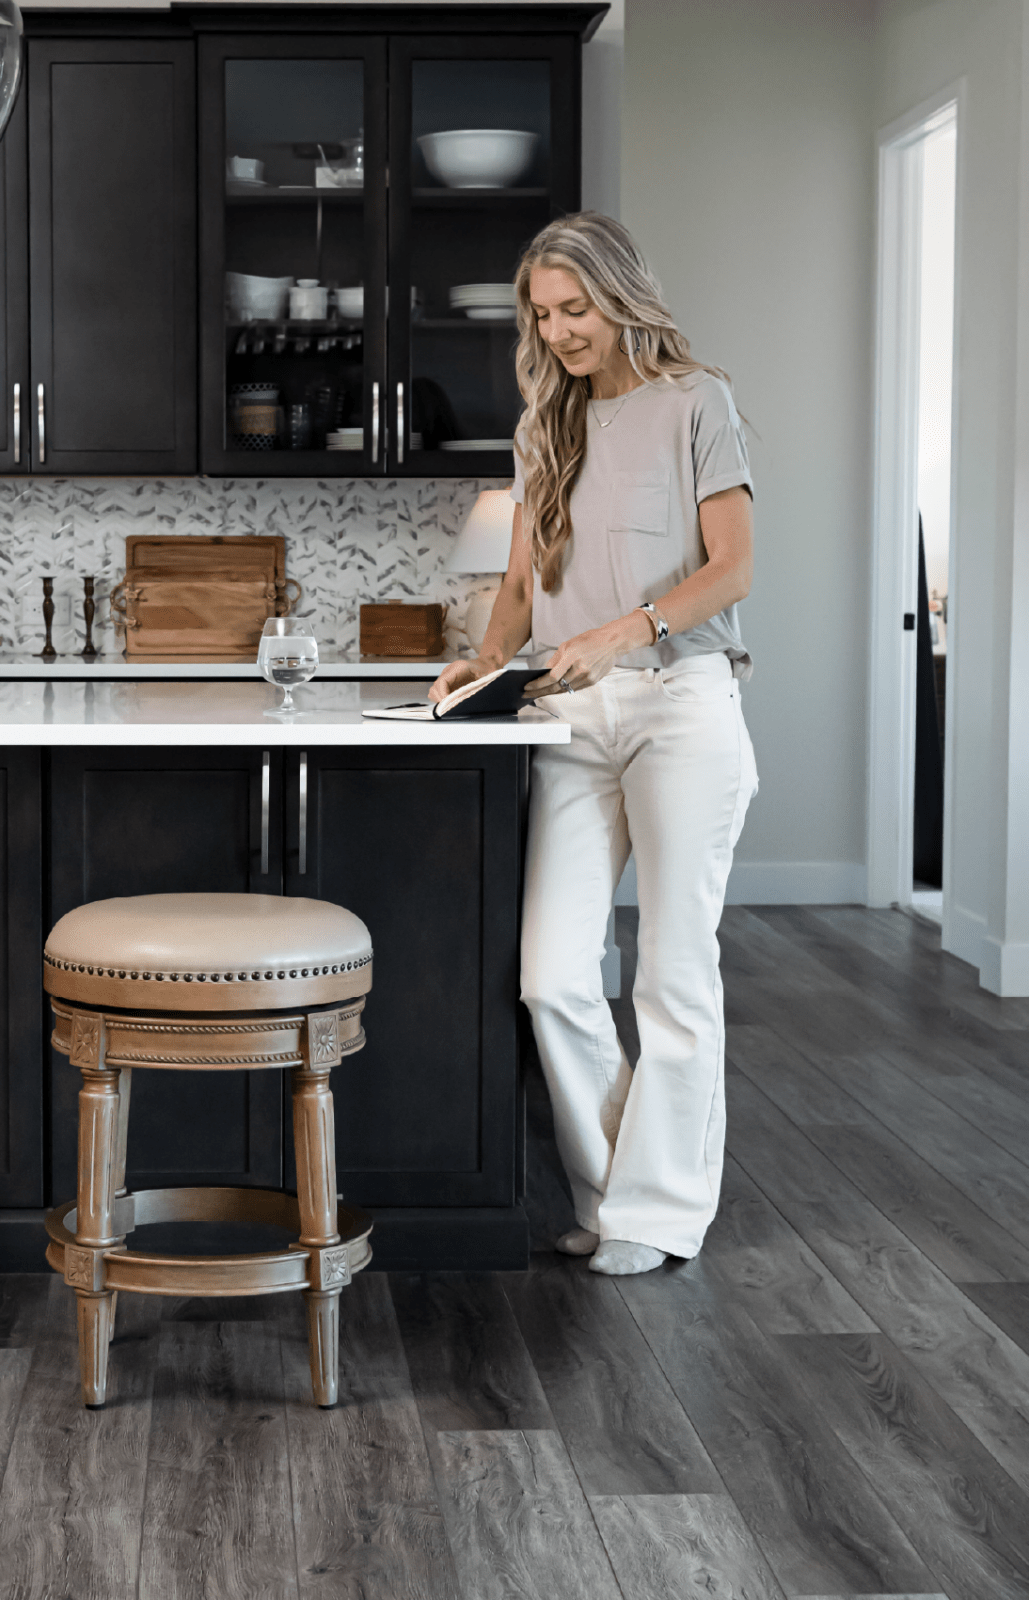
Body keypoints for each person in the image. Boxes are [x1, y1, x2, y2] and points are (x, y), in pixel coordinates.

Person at [430, 212, 758, 1277]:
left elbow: (730, 569)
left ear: (621, 294)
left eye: (576, 309)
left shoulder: (695, 402)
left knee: (670, 971)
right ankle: (613, 1190)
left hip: (679, 705)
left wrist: (626, 630)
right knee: (550, 976)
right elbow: (523, 587)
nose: (561, 331)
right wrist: (480, 663)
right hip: (570, 717)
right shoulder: (543, 429)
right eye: (542, 315)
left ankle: (657, 1214)